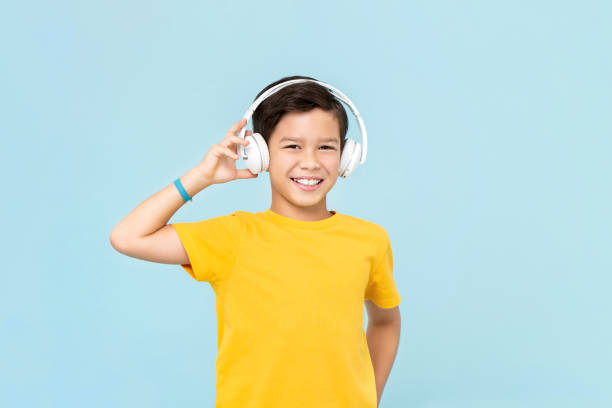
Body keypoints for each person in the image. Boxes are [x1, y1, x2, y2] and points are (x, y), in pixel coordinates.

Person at [109, 75, 402, 407]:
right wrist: (200, 178)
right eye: (292, 146)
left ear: (347, 155)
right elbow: (128, 236)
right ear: (259, 153)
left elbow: (386, 321)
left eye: (326, 147)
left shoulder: (369, 239)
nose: (310, 161)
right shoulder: (233, 237)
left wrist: (368, 398)